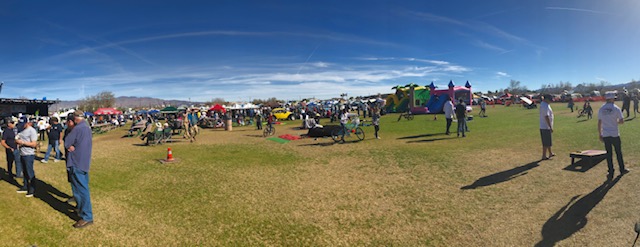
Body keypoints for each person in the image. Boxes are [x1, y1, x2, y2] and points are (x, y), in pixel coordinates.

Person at [64, 110, 94, 228]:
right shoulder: (87, 127)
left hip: (76, 162)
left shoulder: (77, 129)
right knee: (83, 188)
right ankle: (83, 210)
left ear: (75, 119)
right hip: (84, 162)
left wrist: (70, 146)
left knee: (80, 191)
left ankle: (86, 216)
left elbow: (67, 143)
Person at [598, 92, 629, 179]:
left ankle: (610, 172)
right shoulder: (616, 108)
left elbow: (599, 122)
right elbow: (622, 121)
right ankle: (622, 169)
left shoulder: (601, 108)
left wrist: (600, 133)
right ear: (612, 99)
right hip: (615, 134)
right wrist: (616, 122)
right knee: (618, 152)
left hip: (606, 134)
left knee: (609, 154)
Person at [16, 119, 38, 197]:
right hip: (22, 153)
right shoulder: (22, 130)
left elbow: (34, 144)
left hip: (29, 154)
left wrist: (23, 142)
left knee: (29, 172)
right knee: (24, 172)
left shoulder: (32, 131)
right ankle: (25, 186)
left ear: (27, 123)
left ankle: (32, 189)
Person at [539, 94, 555, 160]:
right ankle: (544, 156)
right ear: (546, 99)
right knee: (546, 142)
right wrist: (550, 126)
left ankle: (550, 153)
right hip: (545, 126)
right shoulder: (544, 106)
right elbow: (546, 117)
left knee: (548, 141)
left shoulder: (546, 104)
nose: (551, 101)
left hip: (546, 126)